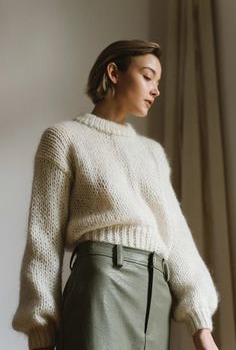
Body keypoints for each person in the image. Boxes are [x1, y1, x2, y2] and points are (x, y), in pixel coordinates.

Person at [12, 40, 220, 350]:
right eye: (148, 76)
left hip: (155, 295)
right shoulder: (64, 139)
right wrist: (40, 332)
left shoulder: (152, 153)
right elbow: (44, 240)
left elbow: (176, 236)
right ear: (114, 72)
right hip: (102, 288)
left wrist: (200, 326)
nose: (156, 90)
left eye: (158, 82)